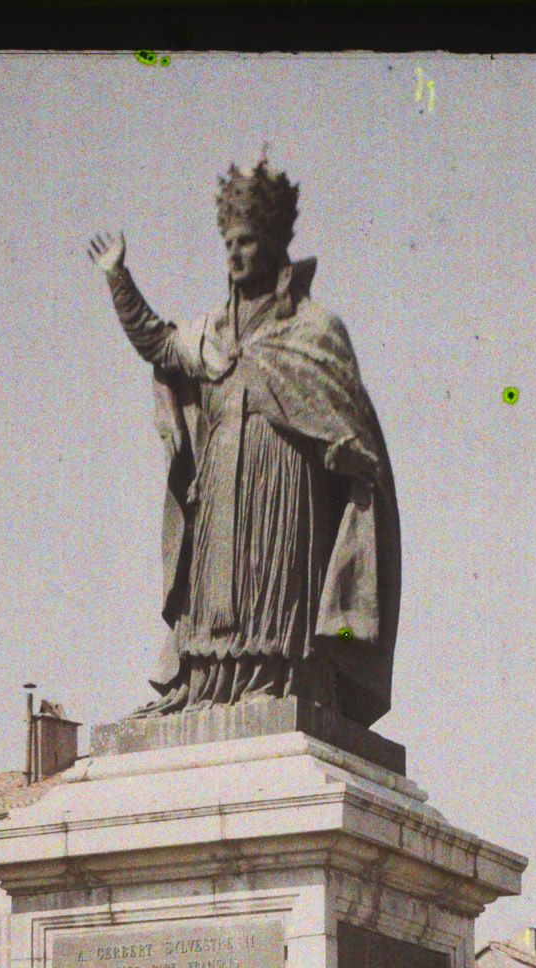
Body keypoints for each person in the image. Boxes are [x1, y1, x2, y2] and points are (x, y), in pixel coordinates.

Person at [88, 157, 400, 724]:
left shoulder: (314, 329)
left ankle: (279, 681)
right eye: (228, 242)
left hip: (283, 480)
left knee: (276, 588)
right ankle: (210, 686)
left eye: (247, 242)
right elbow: (159, 343)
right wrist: (118, 280)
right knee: (214, 592)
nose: (234, 254)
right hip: (222, 473)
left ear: (275, 244)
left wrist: (344, 452)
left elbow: (346, 424)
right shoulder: (212, 332)